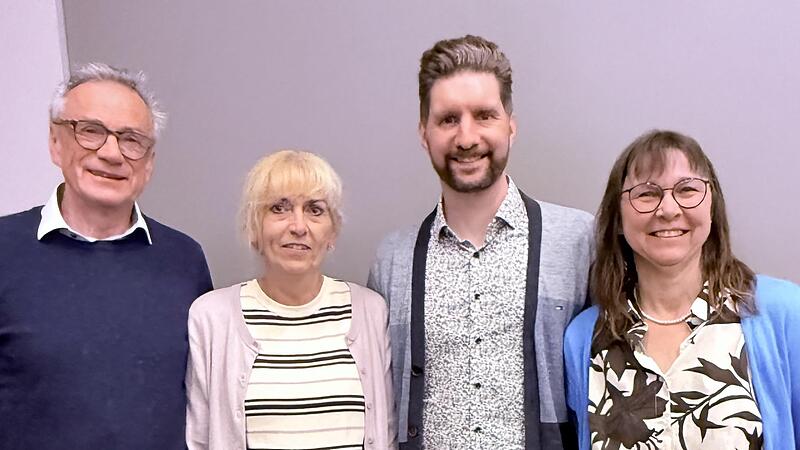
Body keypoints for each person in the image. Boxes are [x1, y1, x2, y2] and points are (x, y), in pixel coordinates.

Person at [367, 35, 594, 449]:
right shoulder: (392, 260)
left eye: (484, 115)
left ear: (511, 124)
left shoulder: (578, 240)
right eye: (448, 119)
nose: (466, 137)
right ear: (424, 132)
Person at [0, 63, 213, 449]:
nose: (112, 153)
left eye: (132, 140)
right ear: (55, 142)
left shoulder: (184, 260)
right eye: (91, 131)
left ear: (149, 162)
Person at [564, 130, 800, 450]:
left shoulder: (783, 314)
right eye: (647, 194)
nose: (669, 209)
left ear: (711, 208)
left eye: (687, 190)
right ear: (618, 217)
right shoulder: (583, 339)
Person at [186, 150, 395, 449]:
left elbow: (386, 432)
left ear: (332, 232)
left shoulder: (371, 312)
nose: (298, 226)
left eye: (315, 209)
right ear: (254, 227)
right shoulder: (211, 318)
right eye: (279, 208)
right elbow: (198, 440)